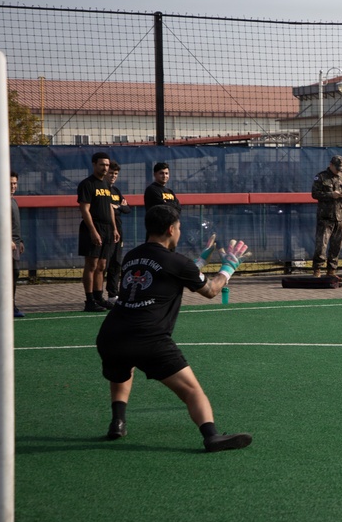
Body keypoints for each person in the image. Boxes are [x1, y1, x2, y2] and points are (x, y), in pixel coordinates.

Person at [95, 204, 252, 452]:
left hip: (111, 335)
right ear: (171, 229)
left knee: (123, 369)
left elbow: (167, 274)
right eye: (178, 228)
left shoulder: (132, 256)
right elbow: (211, 290)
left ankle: (118, 422)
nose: (179, 232)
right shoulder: (177, 262)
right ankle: (211, 435)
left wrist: (200, 260)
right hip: (150, 339)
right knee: (191, 390)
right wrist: (228, 267)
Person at [78, 151, 119, 312]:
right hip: (93, 228)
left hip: (107, 229)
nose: (105, 168)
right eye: (102, 164)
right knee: (92, 264)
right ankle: (89, 301)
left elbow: (109, 208)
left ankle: (99, 297)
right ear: (94, 164)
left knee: (102, 265)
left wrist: (114, 228)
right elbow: (85, 209)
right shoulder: (87, 184)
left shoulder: (106, 185)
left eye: (107, 165)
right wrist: (93, 231)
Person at [311, 154, 342, 279]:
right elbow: (315, 194)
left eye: (341, 168)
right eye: (337, 168)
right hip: (325, 217)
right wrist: (330, 195)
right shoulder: (321, 177)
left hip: (340, 217)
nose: (339, 171)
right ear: (331, 165)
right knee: (321, 245)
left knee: (336, 245)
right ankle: (317, 269)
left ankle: (332, 270)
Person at [105, 161, 131, 304]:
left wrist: (118, 207)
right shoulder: (102, 190)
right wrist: (116, 207)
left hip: (118, 231)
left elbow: (127, 209)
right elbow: (106, 208)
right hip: (106, 230)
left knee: (116, 263)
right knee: (103, 264)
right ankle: (96, 295)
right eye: (111, 173)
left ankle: (112, 294)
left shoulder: (116, 191)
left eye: (115, 174)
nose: (113, 176)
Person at [10, 171, 26, 318]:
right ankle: (7, 306)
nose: (13, 186)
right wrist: (7, 240)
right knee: (7, 276)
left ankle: (11, 305)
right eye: (10, 183)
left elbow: (15, 225)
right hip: (6, 246)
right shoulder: (1, 201)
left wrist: (19, 241)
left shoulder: (13, 200)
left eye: (15, 183)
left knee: (14, 274)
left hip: (15, 245)